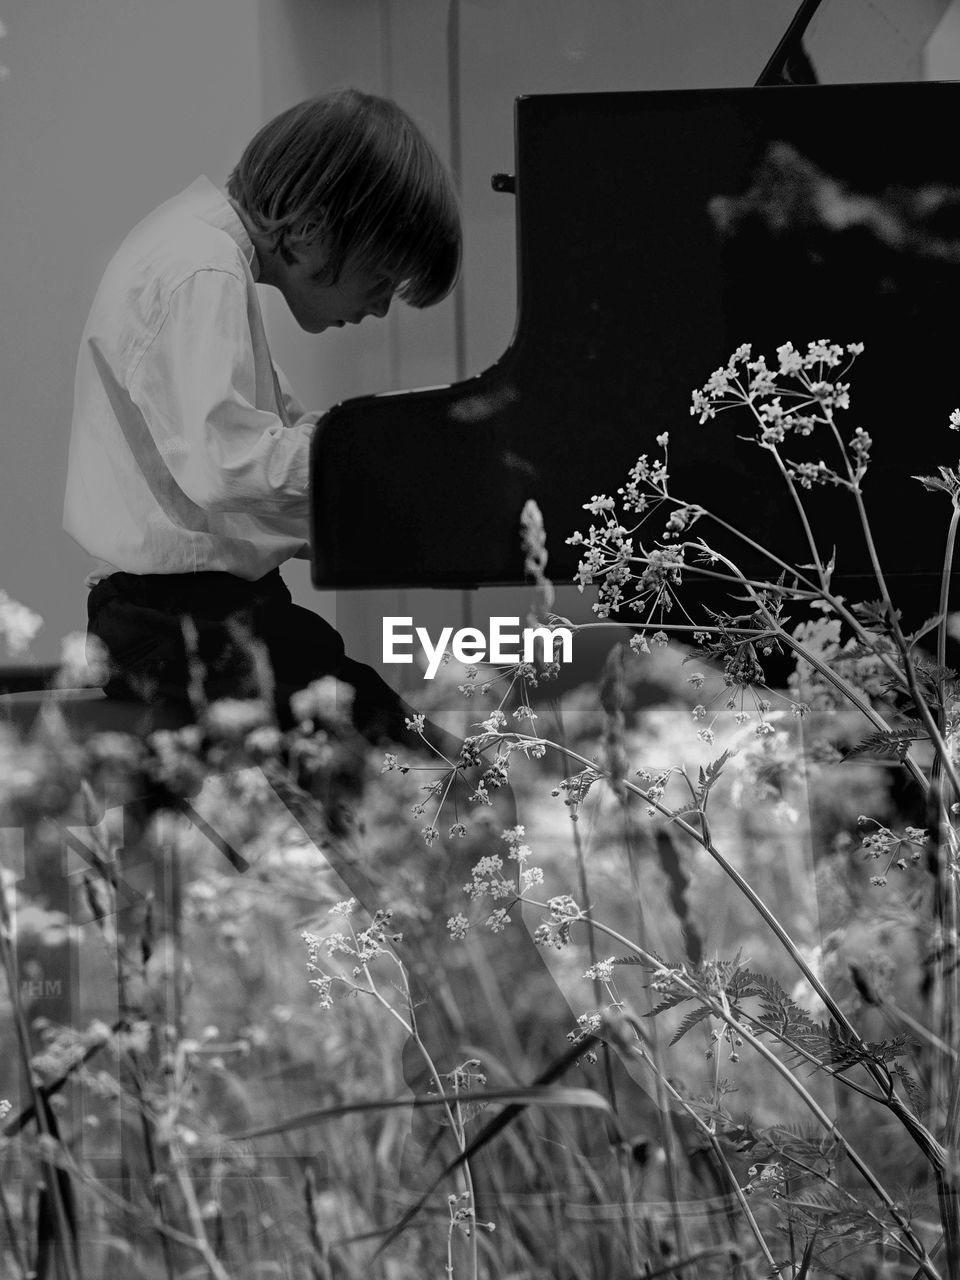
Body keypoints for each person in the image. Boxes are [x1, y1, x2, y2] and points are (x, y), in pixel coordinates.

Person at [63, 89, 462, 751]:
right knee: (422, 769)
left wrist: (369, 487)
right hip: (182, 624)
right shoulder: (201, 266)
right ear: (314, 229)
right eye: (383, 278)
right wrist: (386, 459)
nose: (381, 309)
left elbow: (266, 450)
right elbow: (225, 465)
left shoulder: (200, 254)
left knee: (411, 754)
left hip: (186, 617)